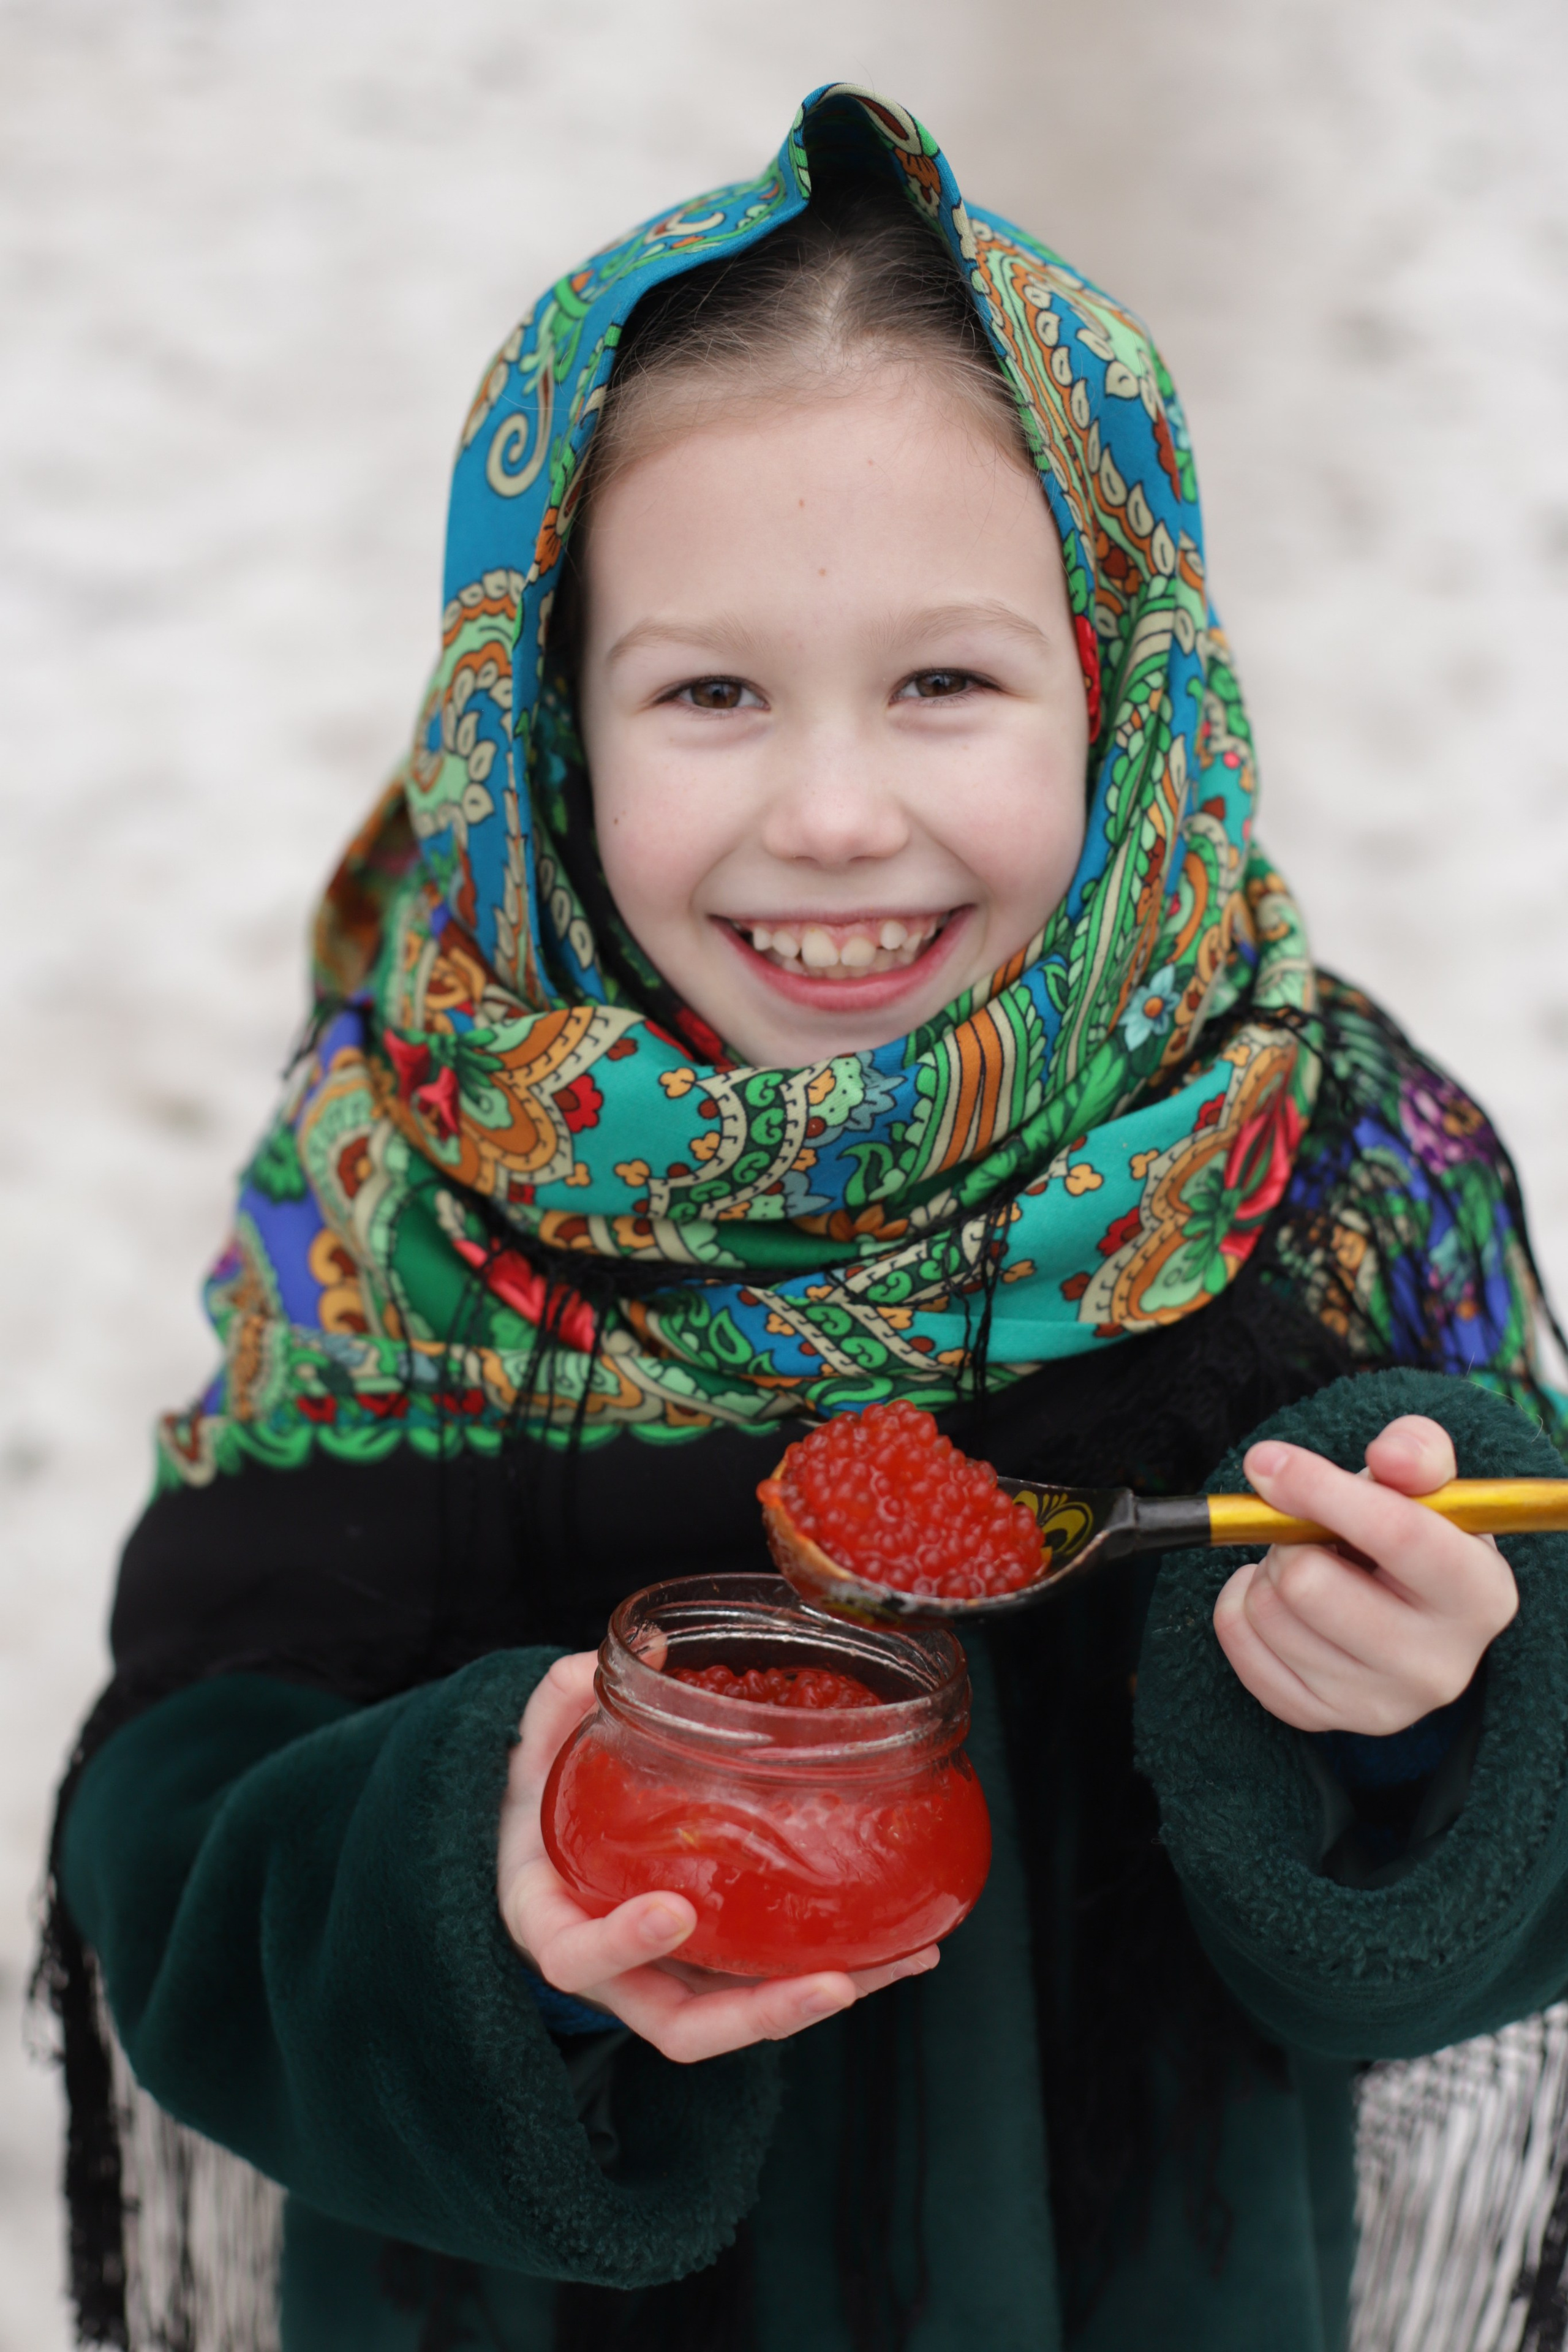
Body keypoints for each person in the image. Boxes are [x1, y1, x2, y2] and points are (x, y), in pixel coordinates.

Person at [39, 81, 1568, 2352]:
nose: (833, 812)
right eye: (712, 693)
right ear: (546, 728)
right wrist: (480, 1883)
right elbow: (179, 1834)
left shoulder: (1301, 1169)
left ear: (1126, 692)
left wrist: (1420, 1718)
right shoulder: (416, 1187)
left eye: (946, 682)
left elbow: (1477, 1905)